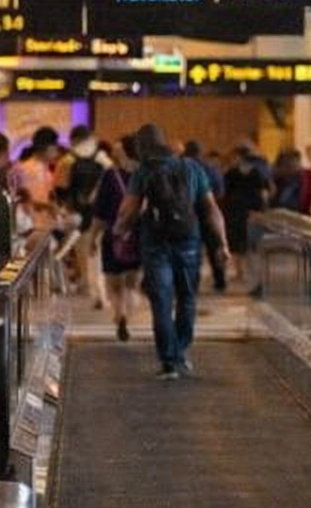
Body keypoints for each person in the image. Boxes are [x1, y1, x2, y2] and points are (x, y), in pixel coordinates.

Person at [114, 123, 229, 379]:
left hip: (156, 243)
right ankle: (181, 351)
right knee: (187, 297)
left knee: (162, 300)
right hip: (189, 240)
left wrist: (119, 231)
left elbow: (129, 210)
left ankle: (169, 361)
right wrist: (222, 242)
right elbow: (211, 209)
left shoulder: (143, 171)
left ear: (141, 147)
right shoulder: (192, 167)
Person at [88, 134, 141, 343]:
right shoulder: (144, 174)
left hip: (114, 234)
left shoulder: (111, 176)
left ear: (123, 152)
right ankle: (127, 314)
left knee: (114, 283)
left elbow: (100, 212)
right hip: (138, 234)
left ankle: (119, 313)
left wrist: (93, 237)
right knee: (131, 283)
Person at [55, 125, 112, 303]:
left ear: (73, 140)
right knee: (97, 252)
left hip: (77, 214)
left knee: (83, 251)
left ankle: (89, 286)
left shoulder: (67, 160)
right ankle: (99, 289)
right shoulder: (103, 159)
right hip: (101, 213)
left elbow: (60, 190)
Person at [221, 139, 272, 293]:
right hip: (252, 210)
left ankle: (241, 272)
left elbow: (226, 192)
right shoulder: (258, 172)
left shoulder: (231, 172)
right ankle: (251, 274)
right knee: (251, 243)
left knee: (238, 241)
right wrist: (264, 209)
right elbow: (266, 190)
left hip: (235, 209)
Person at [183, 140, 228, 291]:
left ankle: (193, 282)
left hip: (189, 213)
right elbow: (220, 191)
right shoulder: (210, 169)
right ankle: (220, 280)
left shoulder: (181, 169)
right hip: (209, 211)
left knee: (192, 250)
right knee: (214, 247)